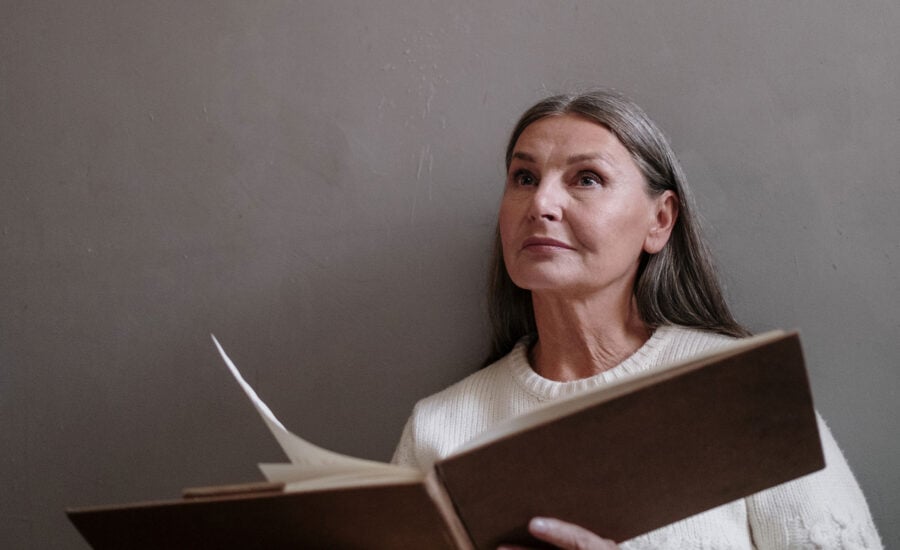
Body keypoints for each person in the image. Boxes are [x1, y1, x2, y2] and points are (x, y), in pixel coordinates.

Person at [391, 90, 882, 549]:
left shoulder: (742, 394)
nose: (541, 204)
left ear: (660, 220)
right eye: (524, 178)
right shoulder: (439, 429)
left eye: (587, 178)